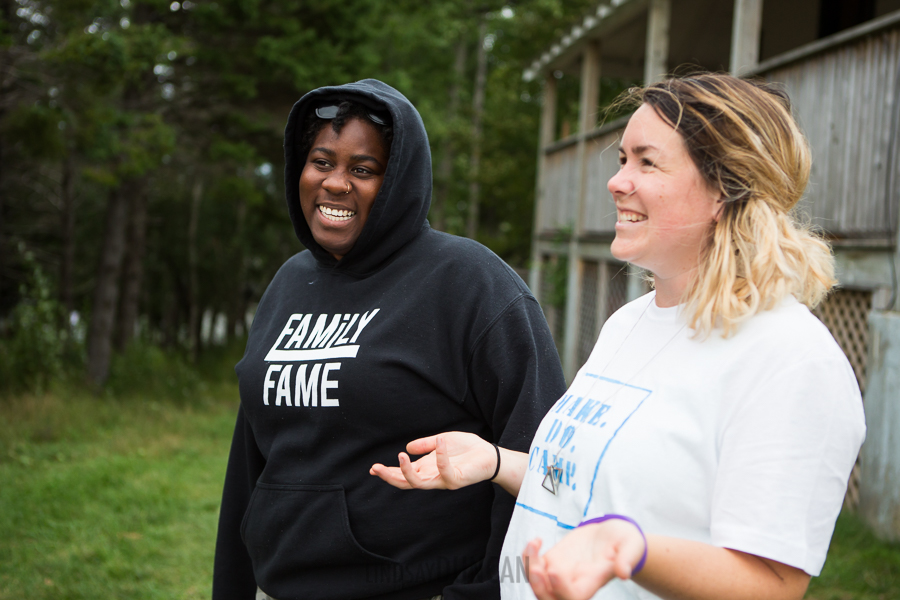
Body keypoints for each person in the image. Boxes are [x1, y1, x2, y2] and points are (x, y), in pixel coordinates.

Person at [370, 73, 866, 600]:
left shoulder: (790, 359)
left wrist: (629, 548)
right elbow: (595, 485)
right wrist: (496, 462)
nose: (617, 181)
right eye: (623, 159)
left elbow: (772, 584)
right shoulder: (629, 323)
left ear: (725, 188)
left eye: (647, 162)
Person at [212, 79, 567, 600]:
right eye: (321, 162)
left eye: (363, 169)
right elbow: (251, 460)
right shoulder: (289, 282)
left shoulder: (469, 282)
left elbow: (542, 464)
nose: (335, 183)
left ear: (399, 180)